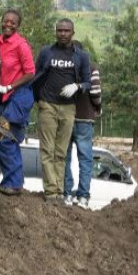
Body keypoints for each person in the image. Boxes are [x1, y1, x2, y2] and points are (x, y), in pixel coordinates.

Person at [32, 19, 92, 202]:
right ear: (55, 32)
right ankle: (51, 191)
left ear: (73, 33)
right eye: (60, 30)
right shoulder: (46, 52)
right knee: (47, 150)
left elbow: (88, 82)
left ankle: (60, 191)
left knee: (61, 151)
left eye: (66, 30)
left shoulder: (81, 56)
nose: (63, 34)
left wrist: (78, 86)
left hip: (68, 108)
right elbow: (36, 75)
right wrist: (38, 100)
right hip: (48, 104)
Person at [0, 9, 36, 196]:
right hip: (3, 96)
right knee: (2, 138)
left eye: (13, 22)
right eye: (5, 21)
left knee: (7, 137)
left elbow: (30, 72)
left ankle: (14, 183)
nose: (8, 24)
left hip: (19, 95)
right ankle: (11, 180)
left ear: (18, 25)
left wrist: (9, 87)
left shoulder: (20, 44)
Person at [63, 53, 101, 209]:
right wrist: (97, 107)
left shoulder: (64, 67)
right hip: (85, 117)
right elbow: (96, 93)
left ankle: (66, 194)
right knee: (85, 159)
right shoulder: (92, 68)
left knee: (65, 157)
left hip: (65, 117)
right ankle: (83, 196)